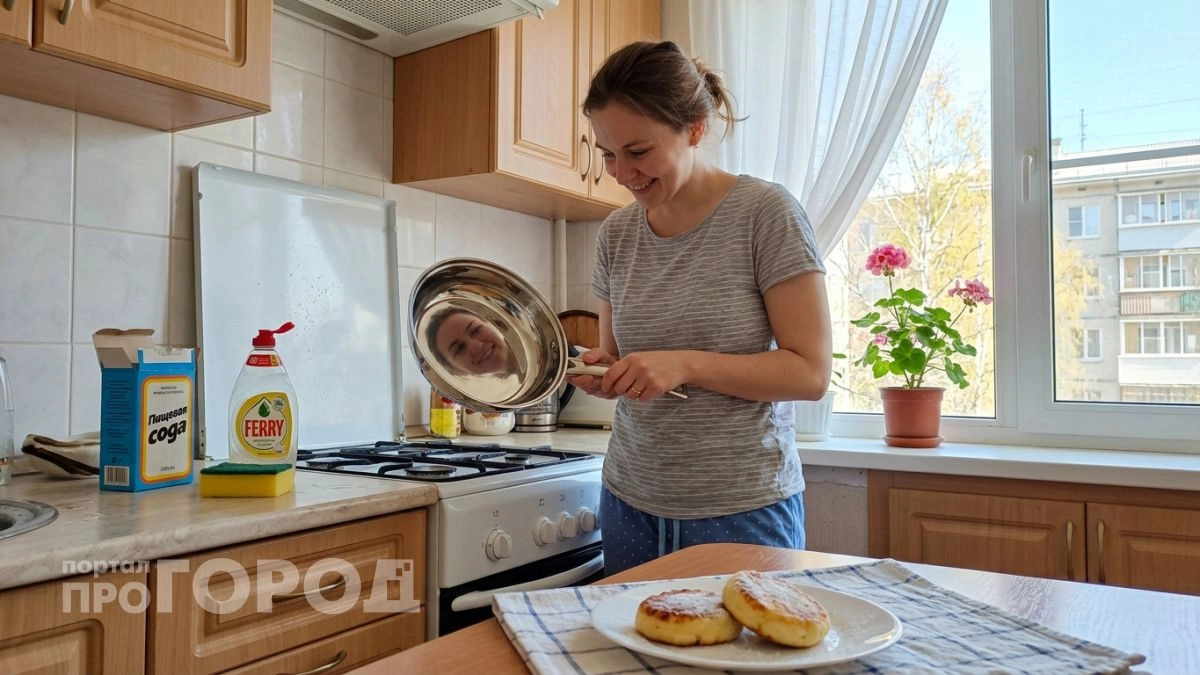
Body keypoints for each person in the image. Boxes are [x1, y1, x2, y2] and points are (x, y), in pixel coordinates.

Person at [567, 40, 833, 575]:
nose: (621, 172)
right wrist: (595, 371)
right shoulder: (617, 234)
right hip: (629, 499)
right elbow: (615, 355)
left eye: (638, 151)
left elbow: (809, 372)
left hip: (742, 505)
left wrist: (685, 364)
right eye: (607, 154)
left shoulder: (765, 214)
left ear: (694, 127)